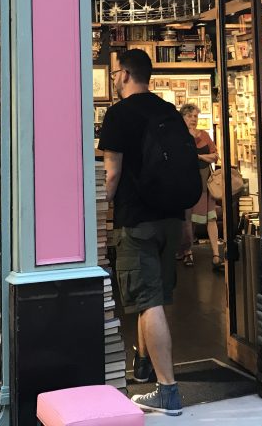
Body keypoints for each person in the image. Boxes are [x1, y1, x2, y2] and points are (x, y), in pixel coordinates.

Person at [99, 49, 184, 415]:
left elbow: (112, 175)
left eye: (117, 72)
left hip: (136, 221)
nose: (115, 78)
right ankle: (144, 363)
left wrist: (100, 209)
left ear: (125, 74)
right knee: (156, 297)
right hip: (170, 218)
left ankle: (168, 391)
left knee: (146, 301)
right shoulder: (168, 110)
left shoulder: (118, 115)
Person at [176, 103, 222, 269]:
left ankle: (216, 254)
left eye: (195, 116)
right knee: (189, 220)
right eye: (189, 116)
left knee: (211, 217)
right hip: (187, 182)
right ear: (182, 117)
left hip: (205, 181)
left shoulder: (204, 135)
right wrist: (204, 156)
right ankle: (187, 251)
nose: (193, 119)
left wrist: (200, 157)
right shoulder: (179, 136)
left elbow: (215, 156)